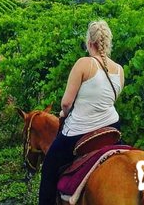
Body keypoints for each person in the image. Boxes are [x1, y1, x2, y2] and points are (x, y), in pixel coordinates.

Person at [38, 20, 125, 205]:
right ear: (107, 42)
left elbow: (66, 103)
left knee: (49, 168)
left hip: (80, 131)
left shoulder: (84, 64)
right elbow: (110, 100)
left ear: (89, 42)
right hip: (111, 128)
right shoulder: (119, 70)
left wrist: (64, 113)